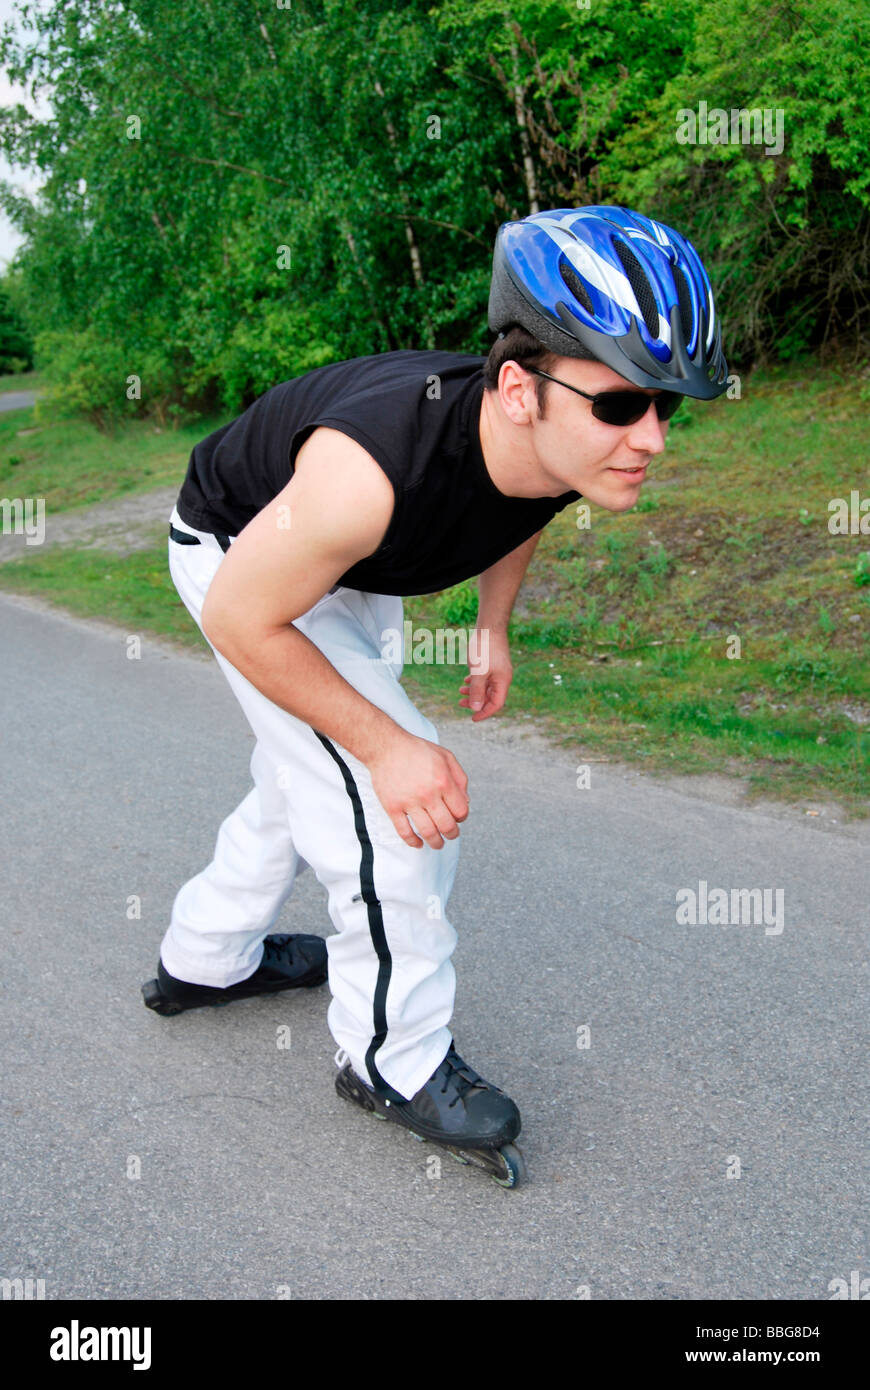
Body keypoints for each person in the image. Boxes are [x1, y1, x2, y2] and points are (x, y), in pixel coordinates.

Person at [142, 205, 728, 1185]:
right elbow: (247, 619)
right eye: (625, 405)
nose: (653, 438)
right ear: (516, 388)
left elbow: (529, 505)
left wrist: (493, 623)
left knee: (306, 769)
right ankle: (392, 1058)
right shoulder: (367, 472)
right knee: (400, 798)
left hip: (348, 568)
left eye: (670, 406)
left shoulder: (556, 437)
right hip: (246, 563)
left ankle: (205, 958)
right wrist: (387, 746)